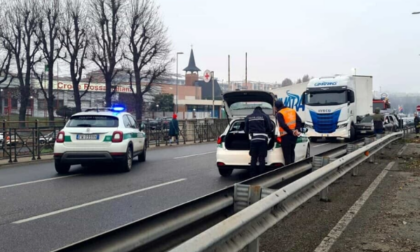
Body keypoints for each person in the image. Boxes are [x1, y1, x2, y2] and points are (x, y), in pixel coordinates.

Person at [244, 106, 273, 176]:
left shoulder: (248, 117)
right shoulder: (265, 116)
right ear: (261, 110)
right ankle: (261, 175)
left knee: (253, 158)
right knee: (261, 158)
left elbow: (245, 130)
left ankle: (252, 175)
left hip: (253, 140)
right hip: (263, 140)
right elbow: (270, 128)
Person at [275, 100, 302, 165]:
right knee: (292, 151)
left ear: (276, 107)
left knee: (287, 154)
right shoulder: (292, 110)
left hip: (285, 136)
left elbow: (282, 124)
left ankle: (288, 169)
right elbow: (299, 121)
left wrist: (290, 132)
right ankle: (292, 166)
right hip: (293, 136)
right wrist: (296, 130)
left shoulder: (279, 113)